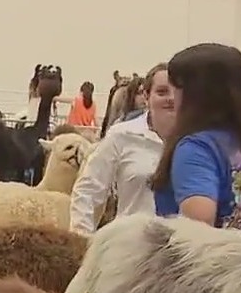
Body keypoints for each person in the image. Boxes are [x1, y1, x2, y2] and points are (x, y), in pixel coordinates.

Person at [150, 43, 241, 235]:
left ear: (195, 93)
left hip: (209, 253)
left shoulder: (197, 147)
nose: (172, 97)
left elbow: (197, 229)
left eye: (176, 87)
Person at [69, 64, 174, 234]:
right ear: (146, 96)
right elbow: (88, 190)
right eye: (162, 92)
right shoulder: (122, 135)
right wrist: (82, 238)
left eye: (177, 92)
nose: (171, 98)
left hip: (181, 245)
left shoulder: (195, 140)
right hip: (130, 243)